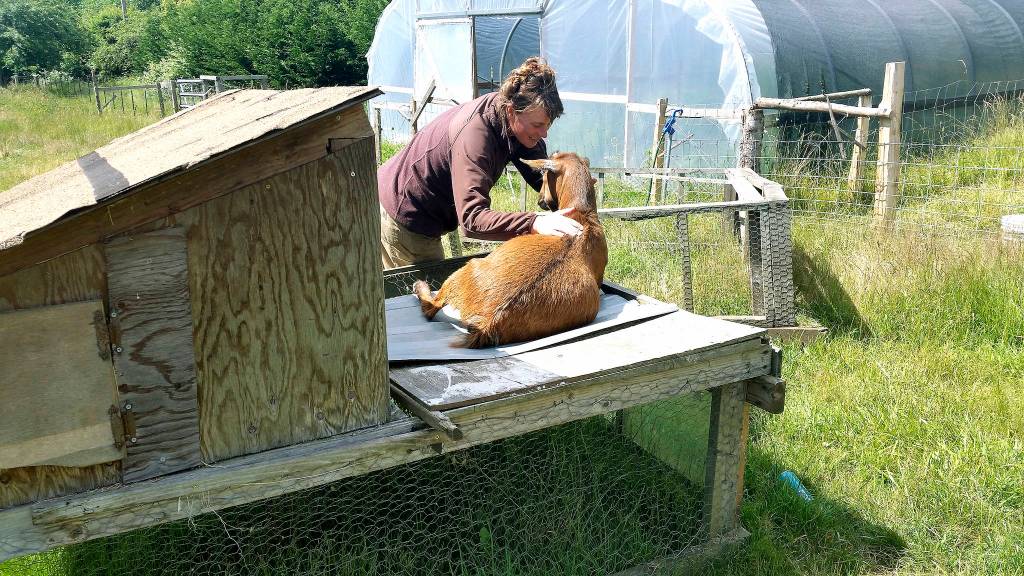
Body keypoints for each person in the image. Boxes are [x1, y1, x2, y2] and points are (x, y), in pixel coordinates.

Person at [378, 57, 582, 269]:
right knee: (424, 293)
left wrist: (573, 191)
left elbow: (541, 179)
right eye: (538, 125)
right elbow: (472, 219)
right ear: (512, 111)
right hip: (405, 211)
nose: (544, 134)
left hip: (424, 205)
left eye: (547, 125)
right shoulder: (476, 136)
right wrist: (534, 222)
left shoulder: (516, 121)